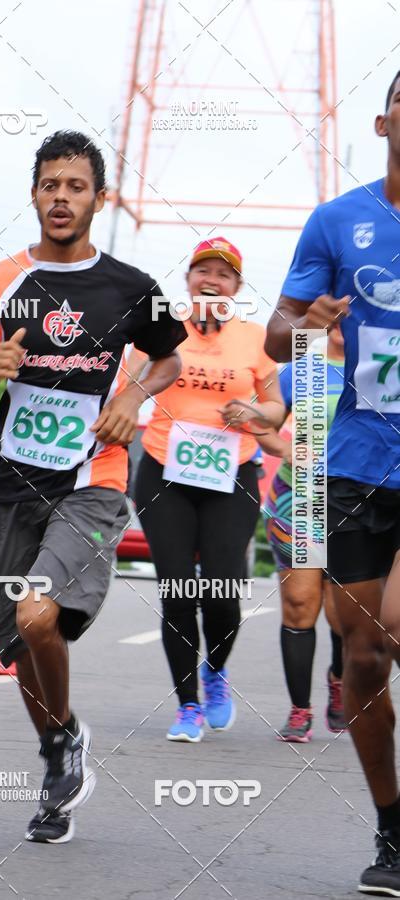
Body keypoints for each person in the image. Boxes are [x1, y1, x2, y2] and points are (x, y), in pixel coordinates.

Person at [0, 130, 186, 844]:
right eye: (50, 185)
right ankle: (61, 747)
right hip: (13, 485)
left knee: (35, 616)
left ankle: (60, 745)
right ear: (33, 195)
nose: (61, 197)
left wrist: (133, 393)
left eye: (75, 186)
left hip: (93, 481)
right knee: (18, 641)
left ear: (98, 199)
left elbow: (170, 359)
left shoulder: (131, 288)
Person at [264, 70, 400, 895]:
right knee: (364, 658)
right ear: (384, 123)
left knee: (394, 624)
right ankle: (392, 827)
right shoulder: (338, 220)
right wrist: (307, 326)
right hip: (353, 466)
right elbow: (277, 334)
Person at [131, 238, 286, 742]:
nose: (212, 281)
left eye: (224, 274)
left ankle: (215, 673)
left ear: (236, 286)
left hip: (232, 475)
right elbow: (127, 385)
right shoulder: (162, 327)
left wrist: (253, 412)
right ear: (189, 279)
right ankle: (188, 706)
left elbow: (275, 410)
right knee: (178, 592)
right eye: (203, 271)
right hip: (164, 473)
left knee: (222, 594)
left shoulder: (255, 339)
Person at [259, 324, 346, 742]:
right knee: (299, 604)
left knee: (346, 615)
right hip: (301, 500)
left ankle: (339, 679)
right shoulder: (303, 369)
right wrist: (283, 447)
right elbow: (263, 421)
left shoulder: (386, 368)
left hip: (363, 505)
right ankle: (300, 710)